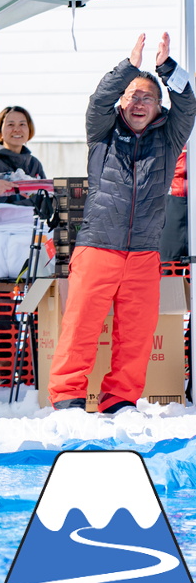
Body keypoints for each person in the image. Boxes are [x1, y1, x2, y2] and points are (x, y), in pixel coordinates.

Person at [48, 33, 196, 413]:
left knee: (137, 334)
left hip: (144, 253)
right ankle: (67, 397)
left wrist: (167, 68)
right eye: (132, 95)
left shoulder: (169, 139)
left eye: (147, 97)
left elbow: (189, 103)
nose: (138, 102)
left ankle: (120, 399)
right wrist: (128, 67)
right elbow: (99, 99)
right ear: (121, 102)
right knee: (81, 326)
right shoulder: (102, 132)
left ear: (159, 106)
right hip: (98, 247)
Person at [0, 106, 45, 206]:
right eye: (10, 124)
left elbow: (45, 199)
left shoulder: (34, 164)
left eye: (22, 124)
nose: (16, 129)